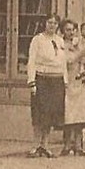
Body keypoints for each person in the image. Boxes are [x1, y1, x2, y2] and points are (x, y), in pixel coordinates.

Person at [26, 14, 65, 158]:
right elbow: (32, 61)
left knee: (50, 114)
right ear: (45, 24)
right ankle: (35, 145)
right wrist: (32, 82)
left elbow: (63, 63)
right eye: (49, 23)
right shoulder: (38, 40)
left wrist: (64, 81)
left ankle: (45, 145)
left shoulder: (60, 41)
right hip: (42, 79)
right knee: (39, 113)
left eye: (55, 23)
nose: (52, 26)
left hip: (56, 80)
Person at [60, 19, 85, 156]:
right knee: (69, 114)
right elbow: (68, 60)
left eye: (72, 30)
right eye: (67, 30)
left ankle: (78, 145)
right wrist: (81, 54)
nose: (70, 33)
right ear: (63, 32)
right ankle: (66, 145)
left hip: (80, 81)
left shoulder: (79, 43)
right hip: (68, 81)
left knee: (80, 114)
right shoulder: (61, 45)